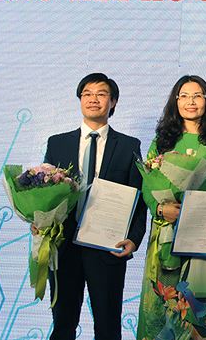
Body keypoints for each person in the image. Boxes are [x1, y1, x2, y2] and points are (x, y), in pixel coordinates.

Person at [43, 72, 146, 340]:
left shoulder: (128, 146)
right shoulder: (57, 143)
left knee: (108, 325)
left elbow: (139, 197)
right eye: (87, 94)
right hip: (64, 246)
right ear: (80, 100)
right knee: (63, 323)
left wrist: (134, 239)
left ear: (113, 102)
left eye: (101, 94)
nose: (93, 99)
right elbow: (45, 193)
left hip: (107, 247)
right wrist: (39, 221)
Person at [136, 75, 206, 340]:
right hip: (166, 232)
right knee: (163, 304)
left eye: (197, 96)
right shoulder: (161, 141)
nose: (190, 102)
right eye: (184, 96)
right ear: (176, 101)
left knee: (202, 304)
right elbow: (147, 185)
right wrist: (160, 210)